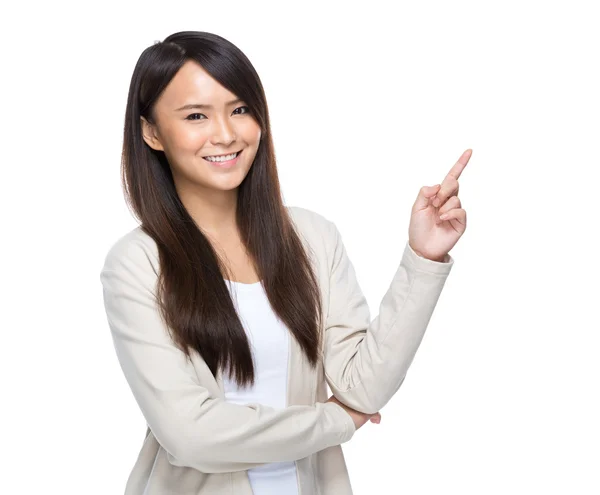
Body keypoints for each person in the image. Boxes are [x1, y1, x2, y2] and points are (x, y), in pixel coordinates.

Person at [99, 30, 469, 495]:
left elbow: (364, 387)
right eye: (196, 115)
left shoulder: (311, 238)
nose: (226, 134)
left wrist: (423, 258)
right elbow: (191, 436)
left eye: (240, 109)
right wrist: (333, 420)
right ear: (152, 131)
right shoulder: (137, 264)